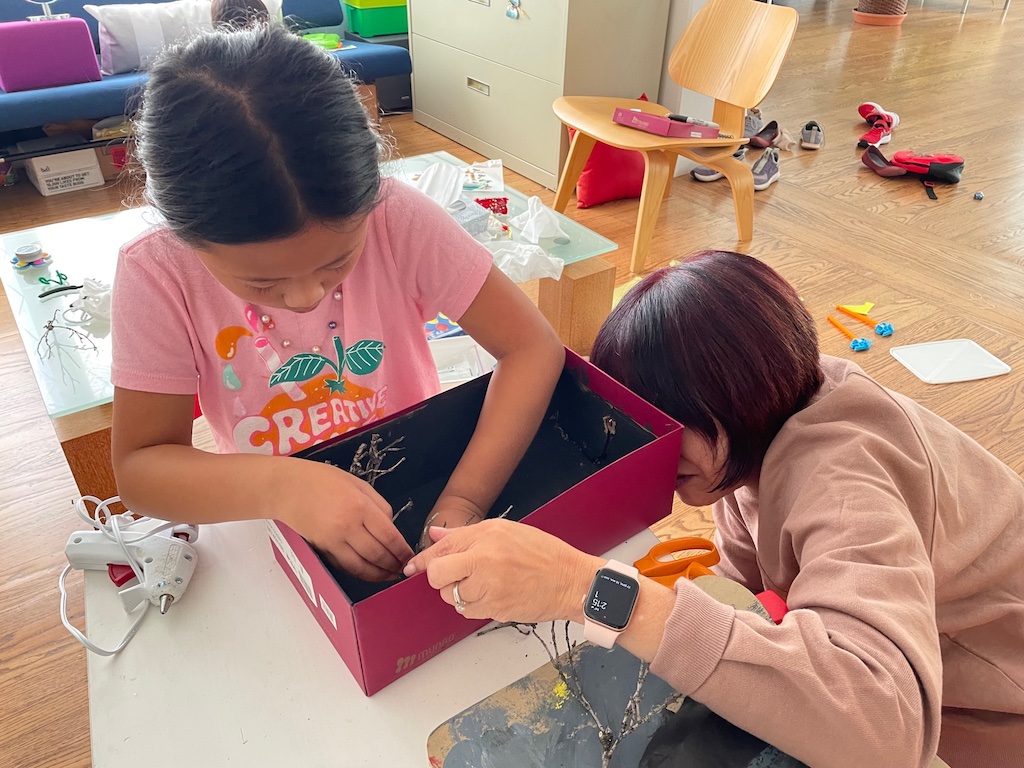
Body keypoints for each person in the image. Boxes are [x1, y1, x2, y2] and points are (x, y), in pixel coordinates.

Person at [405, 250, 1024, 768]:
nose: (657, 448)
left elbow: (887, 733)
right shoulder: (759, 429)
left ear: (739, 391)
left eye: (672, 425)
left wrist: (588, 588)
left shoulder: (844, 478)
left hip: (991, 719)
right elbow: (749, 594)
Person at [110, 26, 564, 582]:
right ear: (186, 237)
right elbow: (140, 467)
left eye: (336, 262)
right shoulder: (157, 271)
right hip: (271, 519)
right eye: (261, 283)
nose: (304, 298)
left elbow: (531, 346)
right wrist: (285, 485)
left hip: (417, 474)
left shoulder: (397, 218)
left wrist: (465, 500)